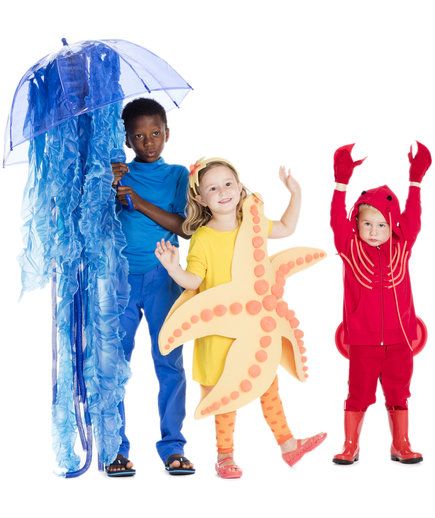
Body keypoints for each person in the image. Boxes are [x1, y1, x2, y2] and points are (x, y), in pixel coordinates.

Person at [155, 157, 326, 478]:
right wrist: (173, 268)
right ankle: (224, 456)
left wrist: (295, 193)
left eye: (228, 184)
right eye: (213, 188)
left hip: (255, 327)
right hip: (220, 332)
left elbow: (288, 228)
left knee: (268, 386)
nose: (222, 192)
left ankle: (289, 446)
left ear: (240, 186)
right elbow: (195, 280)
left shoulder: (254, 223)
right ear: (201, 198)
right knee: (225, 396)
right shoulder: (203, 238)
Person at [107, 98, 194, 476]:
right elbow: (98, 223)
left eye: (155, 133)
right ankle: (115, 448)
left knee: (169, 363)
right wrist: (108, 184)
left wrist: (138, 202)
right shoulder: (117, 173)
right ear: (128, 139)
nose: (149, 143)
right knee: (113, 366)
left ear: (167, 133)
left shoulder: (177, 176)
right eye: (139, 136)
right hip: (119, 279)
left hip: (164, 278)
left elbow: (184, 227)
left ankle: (173, 447)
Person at [330, 142, 431, 465]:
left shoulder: (402, 246)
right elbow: (335, 220)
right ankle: (350, 445)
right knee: (357, 394)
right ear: (356, 223)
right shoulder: (349, 247)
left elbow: (413, 217)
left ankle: (400, 443)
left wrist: (415, 180)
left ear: (393, 225)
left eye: (382, 224)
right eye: (366, 223)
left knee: (399, 394)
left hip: (400, 340)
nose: (373, 231)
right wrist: (340, 183)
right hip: (362, 340)